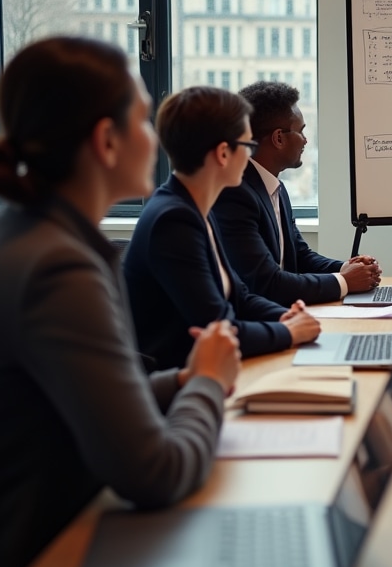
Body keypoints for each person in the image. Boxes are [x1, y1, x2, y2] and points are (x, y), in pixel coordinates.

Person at [0, 38, 241, 567]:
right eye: (143, 119)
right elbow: (156, 472)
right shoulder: (58, 267)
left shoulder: (21, 234)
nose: (155, 138)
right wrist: (208, 383)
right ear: (107, 140)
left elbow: (89, 403)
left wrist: (184, 379)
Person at [123, 86, 321, 371]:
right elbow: (218, 328)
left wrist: (284, 316)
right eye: (248, 145)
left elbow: (239, 296)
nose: (252, 155)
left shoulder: (195, 207)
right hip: (181, 380)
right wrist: (289, 331)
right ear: (223, 153)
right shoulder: (174, 220)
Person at [212, 80, 381, 304]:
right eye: (301, 131)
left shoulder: (275, 188)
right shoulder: (235, 194)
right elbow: (266, 283)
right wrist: (344, 281)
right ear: (278, 138)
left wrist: (347, 268)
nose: (306, 140)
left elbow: (300, 256)